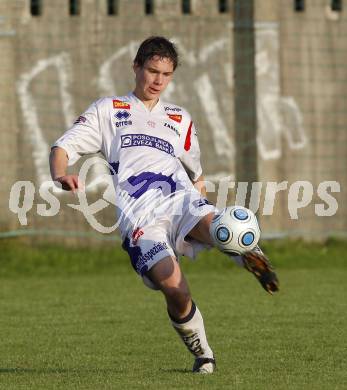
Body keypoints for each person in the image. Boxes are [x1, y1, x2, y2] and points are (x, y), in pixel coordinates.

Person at [50, 36, 278, 374]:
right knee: (175, 289)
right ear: (136, 67)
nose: (158, 80)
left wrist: (202, 202)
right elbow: (62, 147)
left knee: (218, 223)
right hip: (140, 216)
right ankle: (203, 351)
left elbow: (196, 171)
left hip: (181, 199)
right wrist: (60, 175)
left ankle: (247, 251)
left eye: (166, 74)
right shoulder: (109, 110)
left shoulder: (179, 117)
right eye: (152, 71)